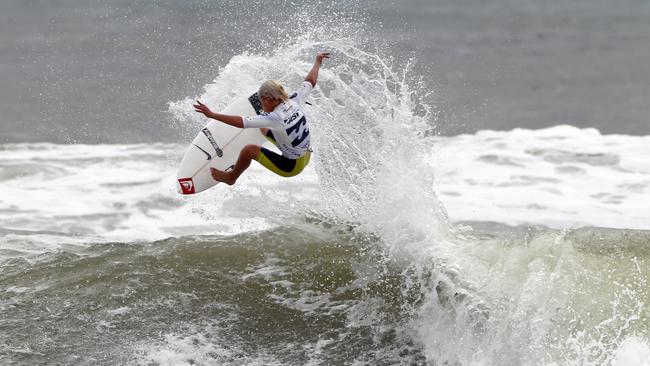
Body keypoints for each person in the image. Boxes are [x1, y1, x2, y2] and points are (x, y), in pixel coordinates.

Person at [193, 52, 330, 185]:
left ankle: (231, 177)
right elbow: (310, 81)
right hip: (306, 154)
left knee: (249, 150)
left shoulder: (274, 118)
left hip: (291, 166)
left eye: (262, 102)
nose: (263, 105)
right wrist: (318, 61)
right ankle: (264, 126)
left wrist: (212, 115)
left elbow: (241, 123)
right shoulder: (296, 99)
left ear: (267, 99)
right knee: (263, 128)